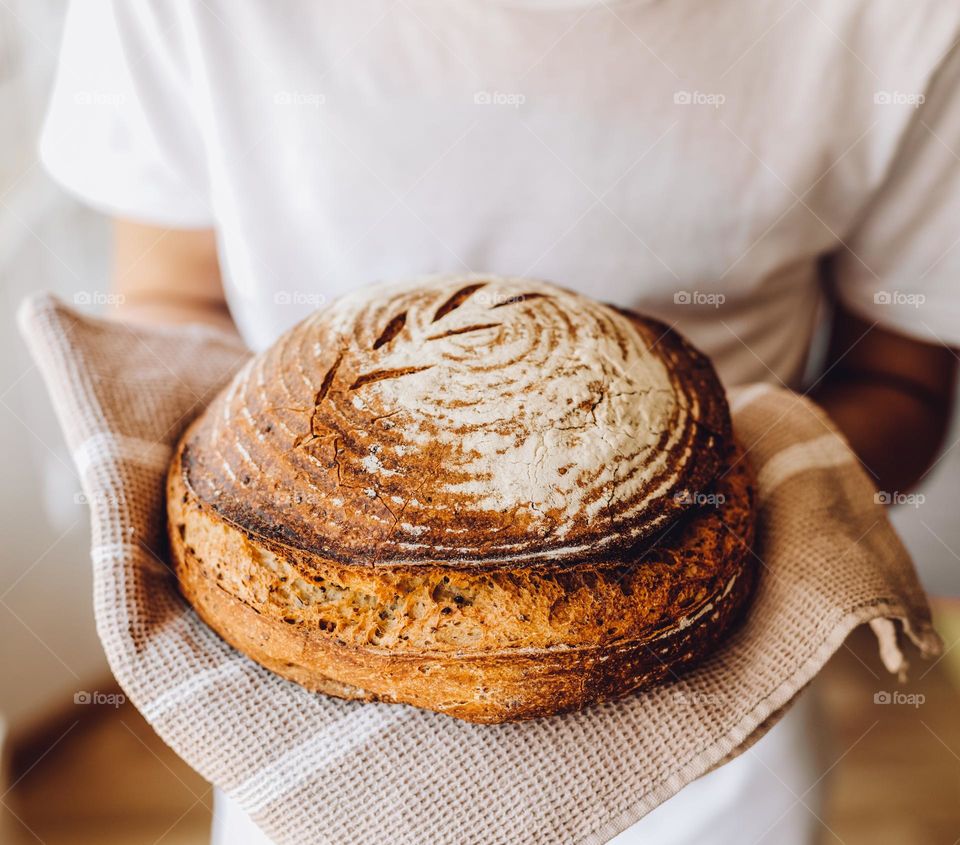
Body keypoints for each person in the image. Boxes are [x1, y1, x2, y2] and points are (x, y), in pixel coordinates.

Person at [40, 1, 959, 842]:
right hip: (318, 769)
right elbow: (171, 302)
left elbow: (901, 379)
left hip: (710, 746)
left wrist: (741, 512)